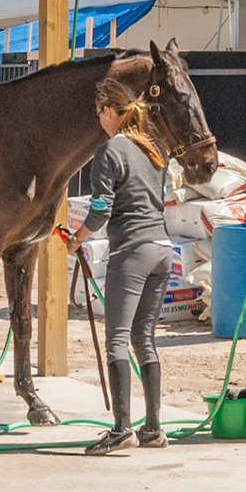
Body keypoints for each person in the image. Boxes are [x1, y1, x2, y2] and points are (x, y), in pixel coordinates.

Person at [62, 77, 173, 455]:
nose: (99, 120)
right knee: (145, 338)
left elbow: (100, 210)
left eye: (100, 114)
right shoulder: (155, 149)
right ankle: (154, 428)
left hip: (133, 250)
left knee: (117, 340)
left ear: (110, 112)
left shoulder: (109, 151)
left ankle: (121, 428)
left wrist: (76, 239)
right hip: (163, 248)